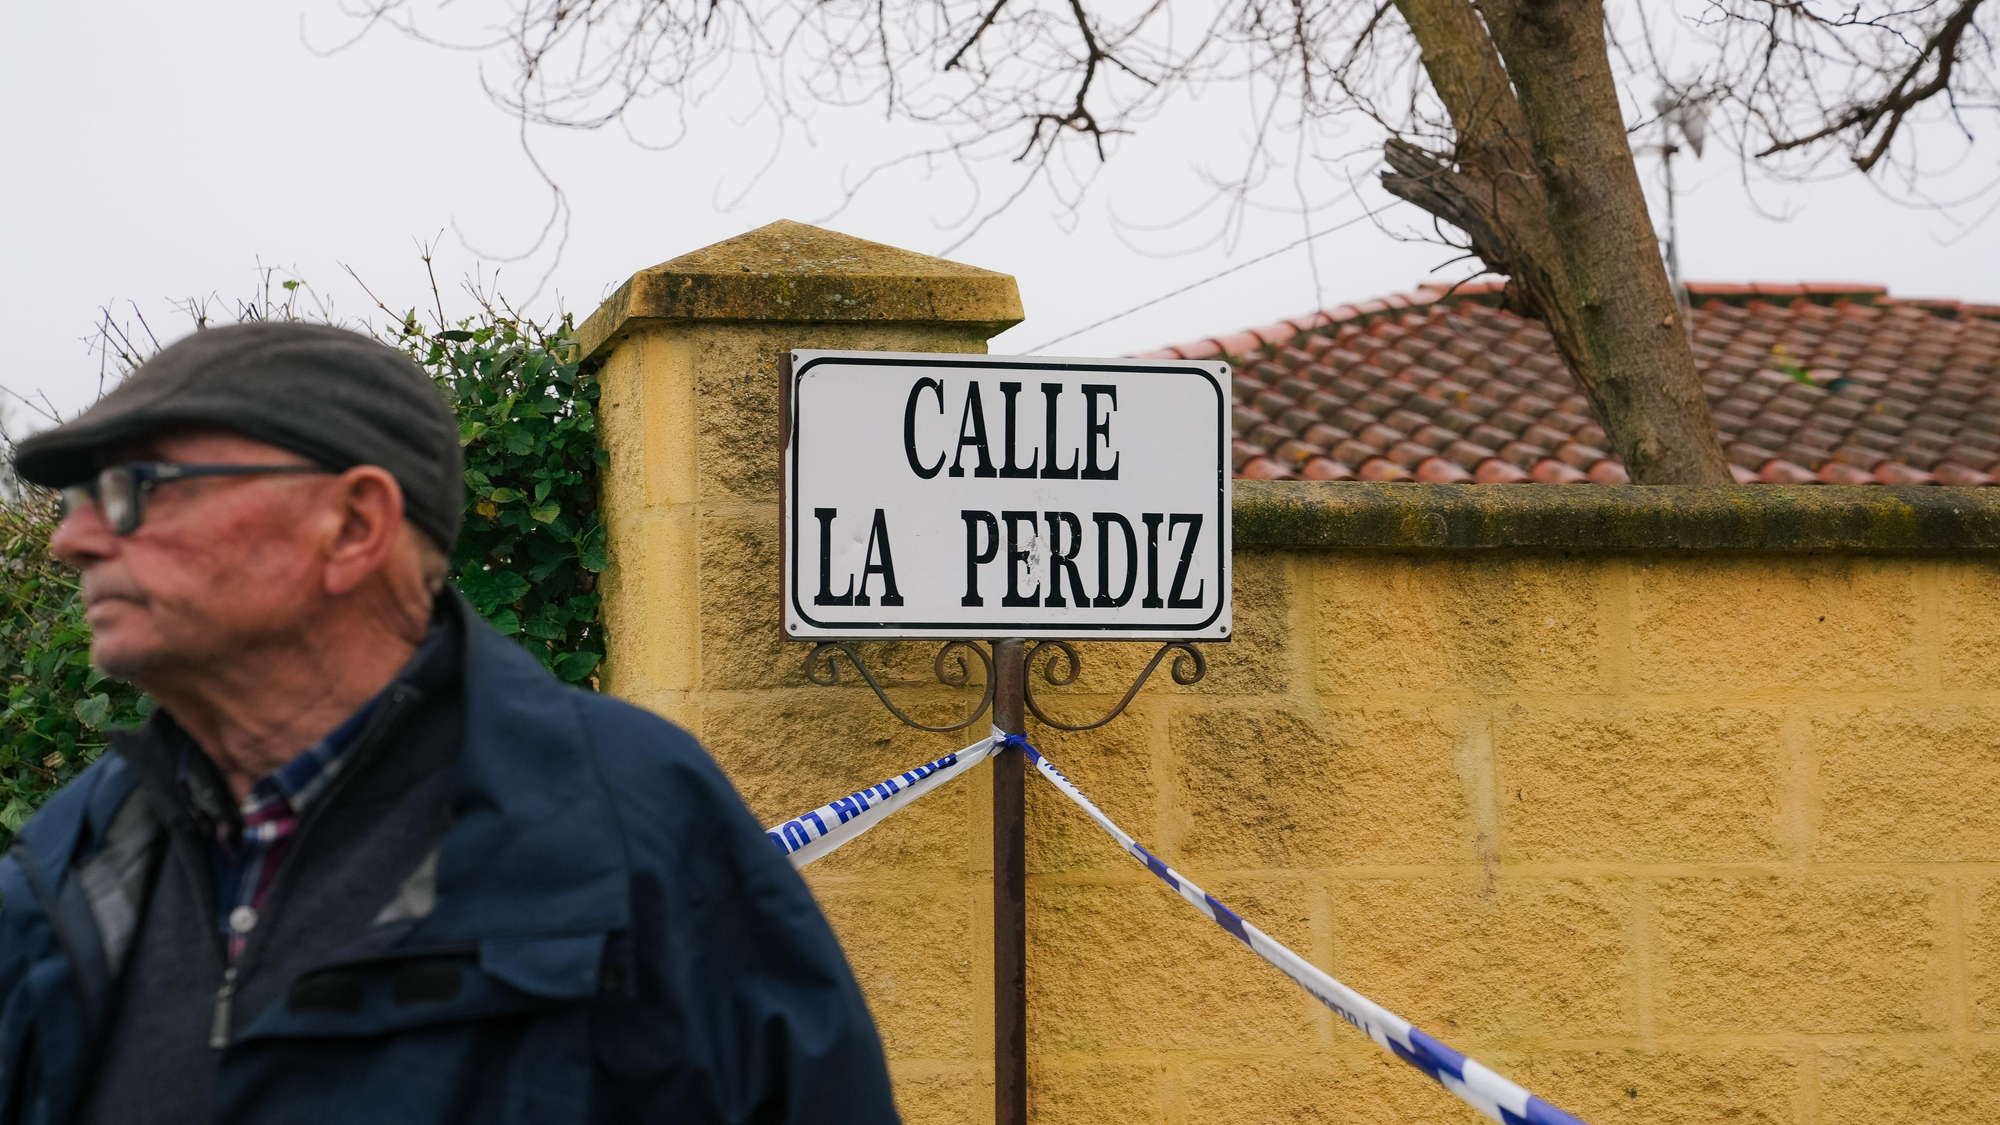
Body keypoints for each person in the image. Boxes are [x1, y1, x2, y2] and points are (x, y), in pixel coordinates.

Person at [0, 322, 900, 1123]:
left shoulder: (632, 818)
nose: (71, 540)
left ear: (354, 525)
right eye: (81, 501)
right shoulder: (72, 850)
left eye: (135, 490)